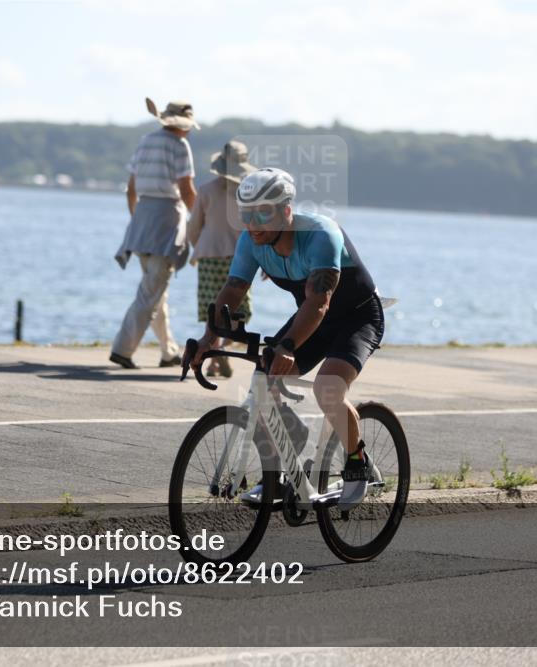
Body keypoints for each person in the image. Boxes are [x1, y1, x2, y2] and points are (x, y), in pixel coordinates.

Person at [188, 168, 384, 509]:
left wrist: (289, 345)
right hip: (313, 320)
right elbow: (234, 289)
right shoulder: (251, 240)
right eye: (246, 214)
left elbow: (320, 301)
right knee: (263, 381)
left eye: (263, 212)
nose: (254, 222)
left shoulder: (321, 234)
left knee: (329, 388)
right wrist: (209, 339)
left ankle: (357, 462)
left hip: (357, 316)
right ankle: (279, 469)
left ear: (287, 210)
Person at [112, 98, 199, 369]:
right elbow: (186, 189)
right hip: (166, 221)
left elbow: (131, 188)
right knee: (151, 290)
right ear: (183, 126)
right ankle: (122, 349)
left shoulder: (145, 140)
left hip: (142, 219)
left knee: (156, 288)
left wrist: (137, 218)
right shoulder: (180, 145)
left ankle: (168, 351)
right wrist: (198, 221)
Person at [186, 140, 257, 378]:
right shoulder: (248, 194)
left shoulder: (205, 190)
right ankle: (223, 349)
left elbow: (193, 228)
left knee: (212, 309)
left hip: (209, 255)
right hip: (239, 257)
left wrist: (201, 248)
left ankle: (214, 352)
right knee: (238, 310)